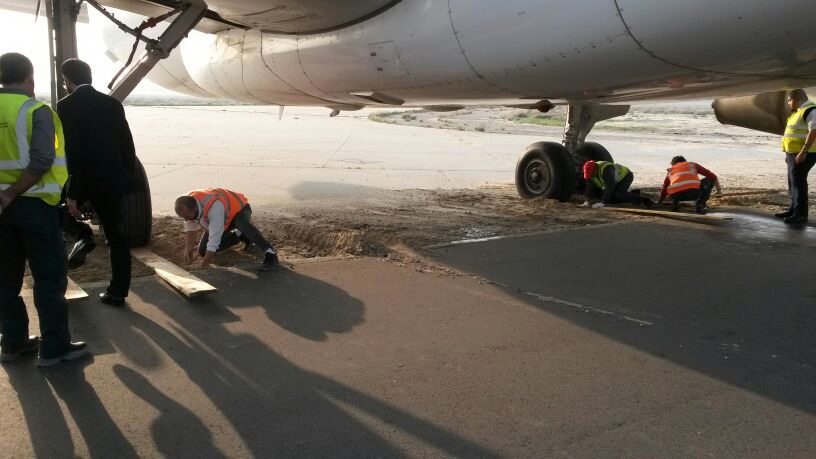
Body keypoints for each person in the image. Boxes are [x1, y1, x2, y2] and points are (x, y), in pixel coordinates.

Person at [0, 52, 88, 366]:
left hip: (2, 212)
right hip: (35, 205)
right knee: (49, 279)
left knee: (5, 280)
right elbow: (41, 160)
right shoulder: (36, 110)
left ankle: (13, 343)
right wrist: (11, 193)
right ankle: (54, 348)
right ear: (30, 77)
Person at [57, 59, 140, 306]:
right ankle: (118, 292)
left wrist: (73, 193)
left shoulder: (66, 106)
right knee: (116, 236)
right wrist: (127, 176)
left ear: (67, 80)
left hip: (84, 179)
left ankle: (83, 237)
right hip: (112, 179)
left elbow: (74, 152)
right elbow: (127, 144)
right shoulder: (112, 104)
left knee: (56, 214)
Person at [174, 188, 279, 271]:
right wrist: (188, 249)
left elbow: (213, 241)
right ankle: (238, 235)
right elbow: (191, 226)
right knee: (203, 251)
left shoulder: (213, 208)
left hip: (240, 209)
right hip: (223, 218)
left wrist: (203, 266)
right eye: (183, 217)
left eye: (187, 217)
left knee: (241, 224)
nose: (185, 219)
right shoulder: (185, 202)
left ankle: (270, 253)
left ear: (195, 208)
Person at [776, 89, 816, 224]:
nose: (788, 103)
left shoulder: (810, 110)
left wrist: (803, 151)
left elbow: (814, 131)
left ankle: (800, 214)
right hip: (793, 153)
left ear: (797, 99)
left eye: (789, 100)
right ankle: (793, 210)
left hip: (804, 153)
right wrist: (788, 154)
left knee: (799, 183)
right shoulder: (797, 112)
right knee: (793, 182)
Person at [657, 156, 722, 214]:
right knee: (710, 179)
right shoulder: (692, 165)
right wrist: (719, 190)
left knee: (674, 186)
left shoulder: (670, 170)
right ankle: (701, 205)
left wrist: (660, 202)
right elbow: (713, 176)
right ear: (685, 161)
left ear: (673, 164)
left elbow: (664, 188)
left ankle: (675, 206)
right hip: (693, 194)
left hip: (675, 196)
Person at [581, 160, 653, 208]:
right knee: (611, 199)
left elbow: (610, 186)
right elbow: (589, 186)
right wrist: (587, 201)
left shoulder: (606, 169)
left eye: (591, 174)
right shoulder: (591, 174)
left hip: (626, 176)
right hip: (616, 180)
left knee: (619, 194)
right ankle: (633, 194)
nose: (591, 176)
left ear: (595, 168)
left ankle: (645, 200)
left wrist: (602, 202)